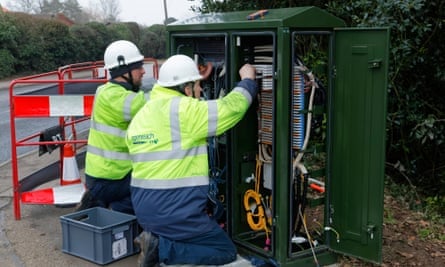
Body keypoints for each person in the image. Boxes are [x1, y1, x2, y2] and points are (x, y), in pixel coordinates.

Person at [126, 54, 258, 266]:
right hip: (173, 212)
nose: (199, 92)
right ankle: (161, 249)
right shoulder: (184, 112)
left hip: (145, 210)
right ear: (186, 89)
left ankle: (157, 241)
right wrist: (248, 81)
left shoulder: (145, 112)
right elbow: (230, 108)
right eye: (197, 87)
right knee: (224, 251)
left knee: (214, 216)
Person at [76, 40, 148, 214]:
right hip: (110, 178)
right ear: (125, 71)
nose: (144, 71)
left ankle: (117, 221)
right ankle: (124, 223)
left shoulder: (107, 91)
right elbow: (152, 102)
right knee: (152, 188)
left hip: (107, 176)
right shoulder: (115, 98)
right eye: (139, 67)